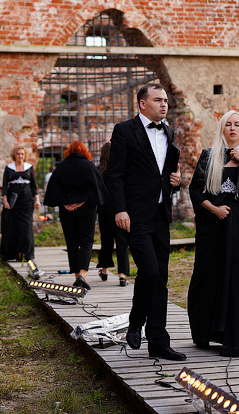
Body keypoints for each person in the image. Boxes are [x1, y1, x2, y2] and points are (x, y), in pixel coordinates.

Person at [106, 83, 184, 361]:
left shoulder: (169, 131)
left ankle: (159, 342)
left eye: (166, 100)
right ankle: (136, 321)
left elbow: (164, 173)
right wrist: (120, 209)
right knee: (149, 272)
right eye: (158, 100)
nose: (164, 105)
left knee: (160, 278)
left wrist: (175, 181)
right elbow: (114, 174)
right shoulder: (125, 130)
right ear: (142, 104)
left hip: (161, 214)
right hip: (135, 216)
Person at [187, 110, 239, 358]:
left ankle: (236, 336)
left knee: (238, 276)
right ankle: (205, 332)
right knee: (208, 274)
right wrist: (214, 209)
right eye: (228, 124)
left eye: (237, 125)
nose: (232, 128)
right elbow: (195, 190)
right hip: (212, 225)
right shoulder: (208, 156)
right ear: (222, 128)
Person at [44, 141, 108, 289]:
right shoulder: (89, 166)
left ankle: (76, 275)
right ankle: (82, 275)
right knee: (86, 242)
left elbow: (53, 189)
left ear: (69, 152)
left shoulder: (61, 167)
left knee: (72, 243)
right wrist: (81, 202)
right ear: (84, 151)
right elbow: (98, 190)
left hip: (66, 210)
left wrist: (65, 203)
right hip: (86, 209)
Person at [0, 145, 41, 262]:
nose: (20, 156)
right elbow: (5, 187)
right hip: (13, 201)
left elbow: (34, 186)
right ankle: (12, 254)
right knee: (12, 226)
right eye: (18, 154)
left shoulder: (29, 167)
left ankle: (27, 255)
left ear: (25, 155)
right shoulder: (9, 168)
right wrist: (5, 201)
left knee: (26, 227)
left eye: (22, 154)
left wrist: (37, 200)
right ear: (14, 155)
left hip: (26, 201)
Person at [96, 142, 130, 287]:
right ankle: (122, 275)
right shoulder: (121, 169)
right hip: (120, 208)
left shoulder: (99, 171)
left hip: (104, 210)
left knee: (106, 241)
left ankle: (104, 270)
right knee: (122, 242)